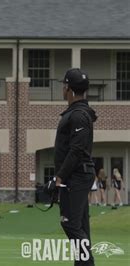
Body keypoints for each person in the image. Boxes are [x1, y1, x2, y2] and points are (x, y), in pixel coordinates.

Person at [54, 68, 97, 265]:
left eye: (64, 85)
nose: (62, 89)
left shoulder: (79, 115)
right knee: (80, 226)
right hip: (77, 176)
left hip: (77, 177)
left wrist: (59, 177)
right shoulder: (76, 113)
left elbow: (76, 150)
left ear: (68, 89)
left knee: (70, 223)